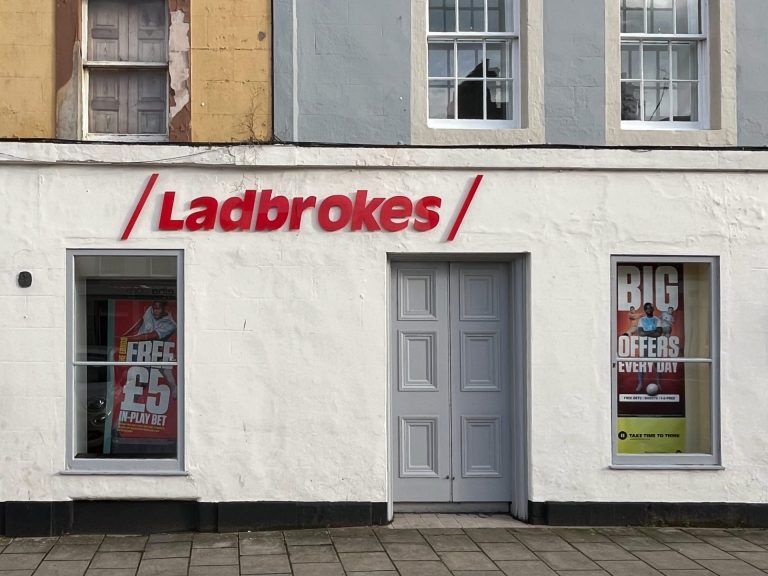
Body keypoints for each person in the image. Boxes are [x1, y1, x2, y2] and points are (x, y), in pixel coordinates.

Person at [123, 301, 177, 398]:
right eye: (154, 308)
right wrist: (126, 334)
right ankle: (132, 400)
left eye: (158, 309)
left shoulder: (170, 324)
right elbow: (140, 323)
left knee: (162, 372)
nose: (155, 311)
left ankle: (175, 391)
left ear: (164, 309)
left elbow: (150, 336)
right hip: (139, 349)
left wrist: (126, 339)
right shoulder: (149, 310)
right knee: (137, 377)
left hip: (154, 352)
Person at [635, 302, 661, 392]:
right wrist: (653, 331)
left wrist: (646, 333)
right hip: (644, 345)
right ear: (645, 310)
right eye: (647, 308)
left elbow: (659, 333)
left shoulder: (657, 320)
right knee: (641, 365)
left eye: (650, 308)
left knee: (657, 365)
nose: (649, 310)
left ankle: (659, 383)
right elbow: (640, 333)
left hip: (655, 345)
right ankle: (640, 384)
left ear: (653, 309)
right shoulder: (641, 320)